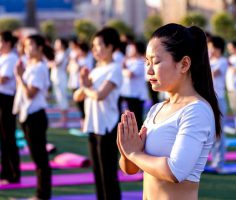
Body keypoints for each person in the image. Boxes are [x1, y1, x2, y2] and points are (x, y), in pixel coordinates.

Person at [117, 23, 221, 199]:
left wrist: (134, 153)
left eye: (156, 61)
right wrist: (127, 152)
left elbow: (175, 170)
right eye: (147, 62)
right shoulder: (156, 109)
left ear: (184, 64)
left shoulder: (197, 111)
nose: (149, 70)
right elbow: (131, 169)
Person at [73, 27, 122, 200]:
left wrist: (86, 87)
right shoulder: (94, 70)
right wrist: (83, 84)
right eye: (93, 46)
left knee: (108, 173)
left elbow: (100, 95)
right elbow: (77, 95)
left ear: (110, 47)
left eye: (99, 45)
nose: (95, 50)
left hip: (107, 125)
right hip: (93, 124)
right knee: (97, 171)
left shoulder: (114, 68)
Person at [13, 34, 52, 200]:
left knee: (40, 159)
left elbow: (30, 93)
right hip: (28, 115)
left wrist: (19, 76)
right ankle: (40, 193)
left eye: (30, 46)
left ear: (39, 48)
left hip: (35, 115)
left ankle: (42, 195)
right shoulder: (31, 65)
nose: (26, 49)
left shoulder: (39, 68)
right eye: (25, 46)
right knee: (37, 158)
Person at [0, 31, 20, 184]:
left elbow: (2, 79)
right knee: (2, 138)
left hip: (6, 100)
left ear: (8, 43)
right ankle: (5, 173)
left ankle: (14, 174)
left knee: (8, 138)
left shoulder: (11, 57)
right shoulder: (0, 58)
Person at [208, 36, 228, 171]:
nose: (209, 49)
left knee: (218, 133)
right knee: (209, 133)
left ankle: (219, 163)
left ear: (218, 48)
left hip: (218, 100)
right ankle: (213, 161)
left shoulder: (222, 61)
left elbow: (211, 75)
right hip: (208, 99)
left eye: (211, 47)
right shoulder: (210, 61)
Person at [119, 41, 148, 129]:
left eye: (132, 48)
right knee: (127, 117)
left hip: (136, 96)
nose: (130, 50)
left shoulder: (141, 61)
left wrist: (122, 68)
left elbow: (130, 74)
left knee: (137, 119)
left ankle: (139, 137)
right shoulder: (128, 61)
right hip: (127, 93)